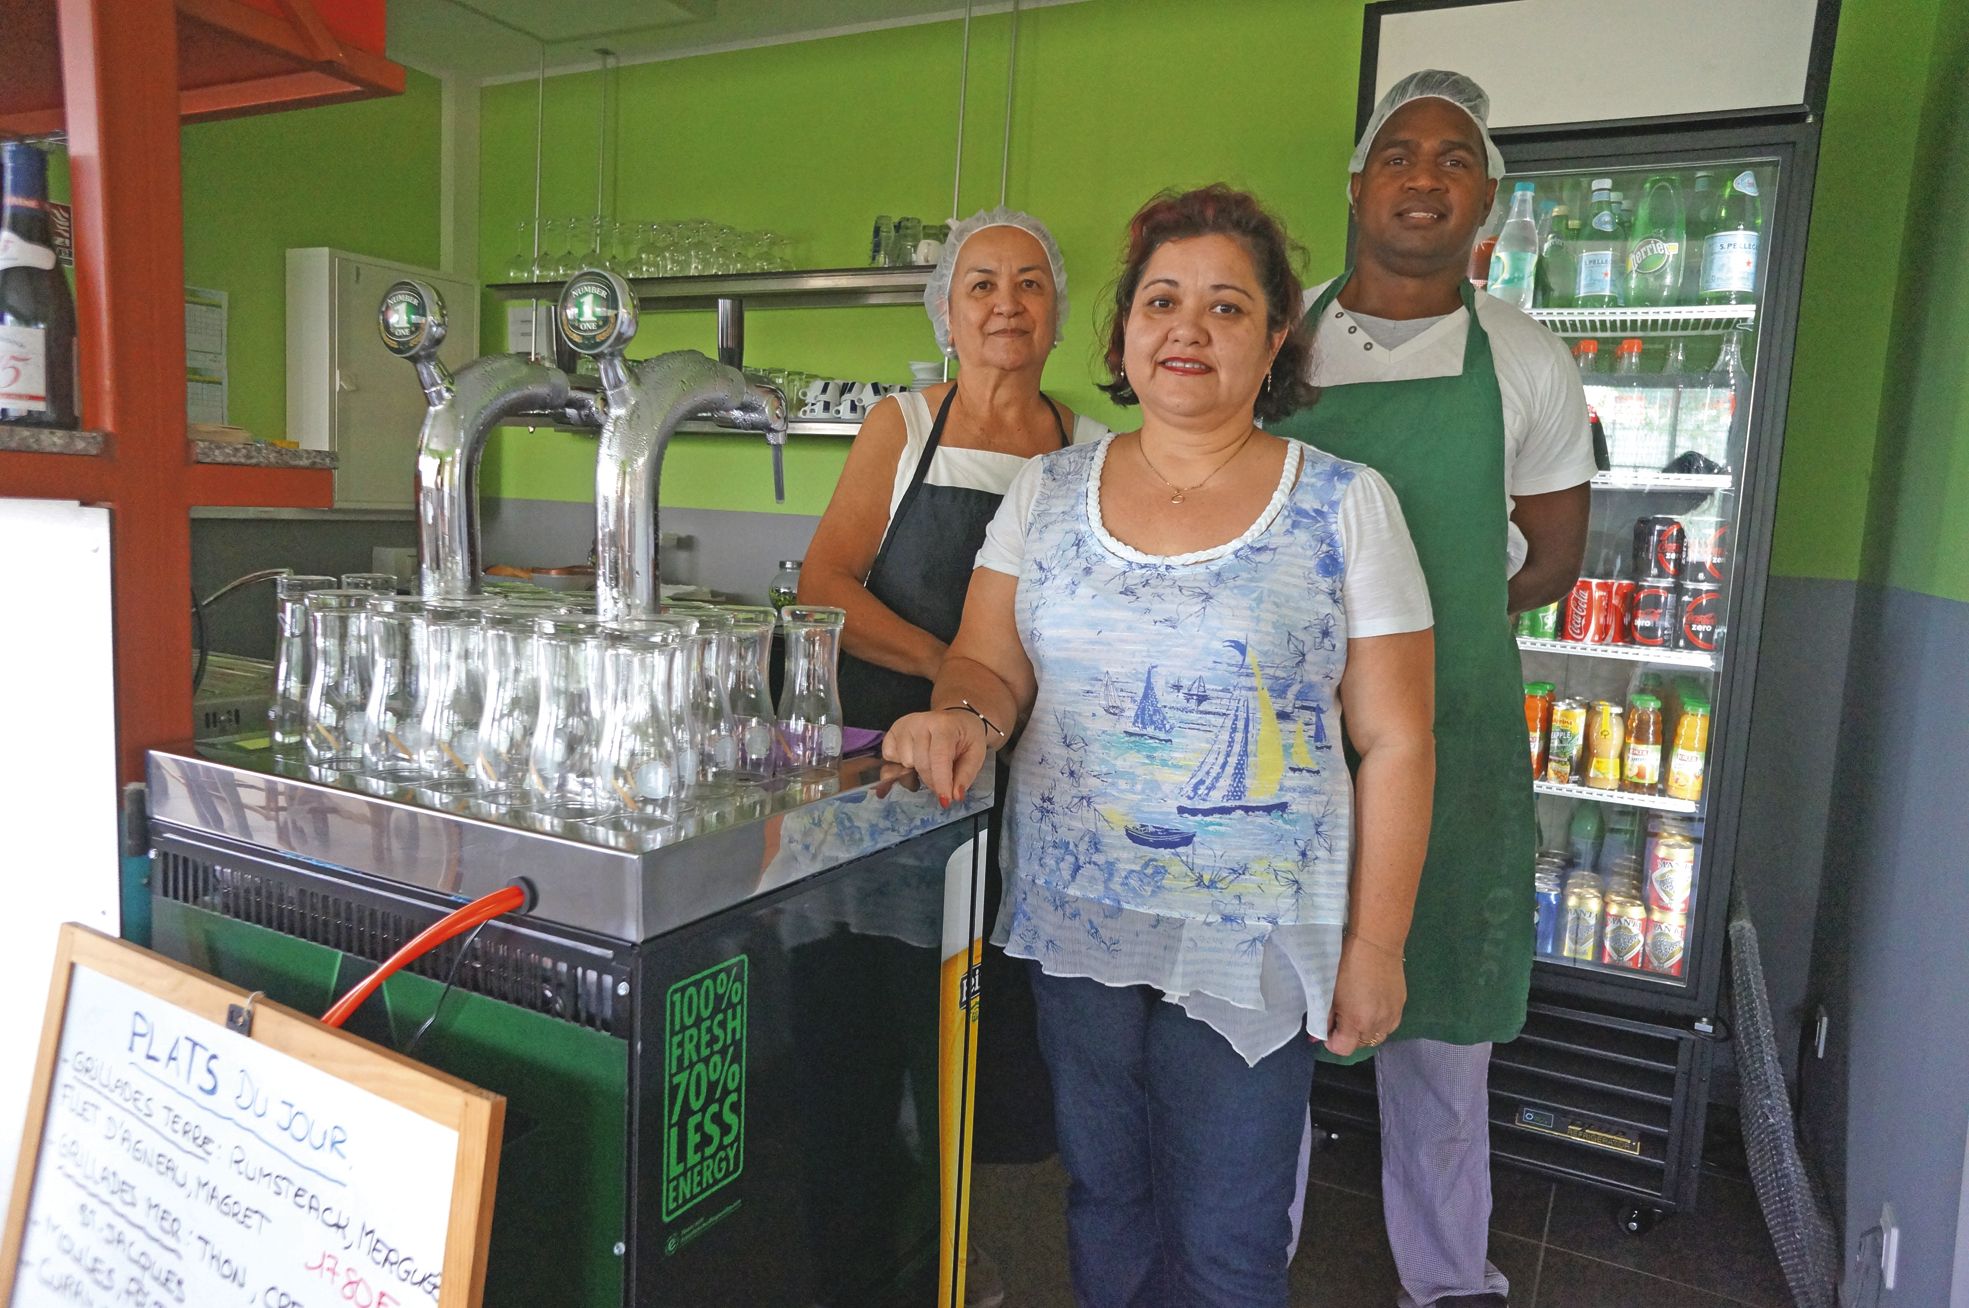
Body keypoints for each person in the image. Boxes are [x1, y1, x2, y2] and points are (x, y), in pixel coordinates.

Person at [883, 185, 1438, 1308]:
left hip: (1253, 938)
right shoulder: (1046, 492)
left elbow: (1396, 737)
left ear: (1275, 337)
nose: (1187, 329)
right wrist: (963, 718)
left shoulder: (1343, 504)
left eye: (1227, 308)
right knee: (1101, 1201)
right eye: (1161, 301)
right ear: (1126, 328)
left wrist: (1375, 947)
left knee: (1228, 1237)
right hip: (1077, 919)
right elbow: (990, 664)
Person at [1271, 70, 1596, 1308]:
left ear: (1489, 204)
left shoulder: (1524, 356)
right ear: (1356, 186)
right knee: (1265, 1043)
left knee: (1443, 1047)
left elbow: (1553, 559)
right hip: (1280, 741)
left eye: (1453, 159)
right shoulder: (1277, 342)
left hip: (1448, 742)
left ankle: (1449, 1282)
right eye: (1398, 154)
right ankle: (1249, 1264)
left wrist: (1420, 636)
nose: (1423, 175)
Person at [800, 207, 1105, 1308]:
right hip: (891, 779)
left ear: (1059, 313)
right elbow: (823, 585)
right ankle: (877, 1258)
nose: (1005, 305)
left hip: (1029, 783)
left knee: (989, 1028)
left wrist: (994, 706)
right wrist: (951, 673)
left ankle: (972, 1259)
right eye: (981, 285)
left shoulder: (1085, 452)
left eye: (1029, 284)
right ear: (945, 311)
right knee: (872, 1017)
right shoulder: (902, 423)